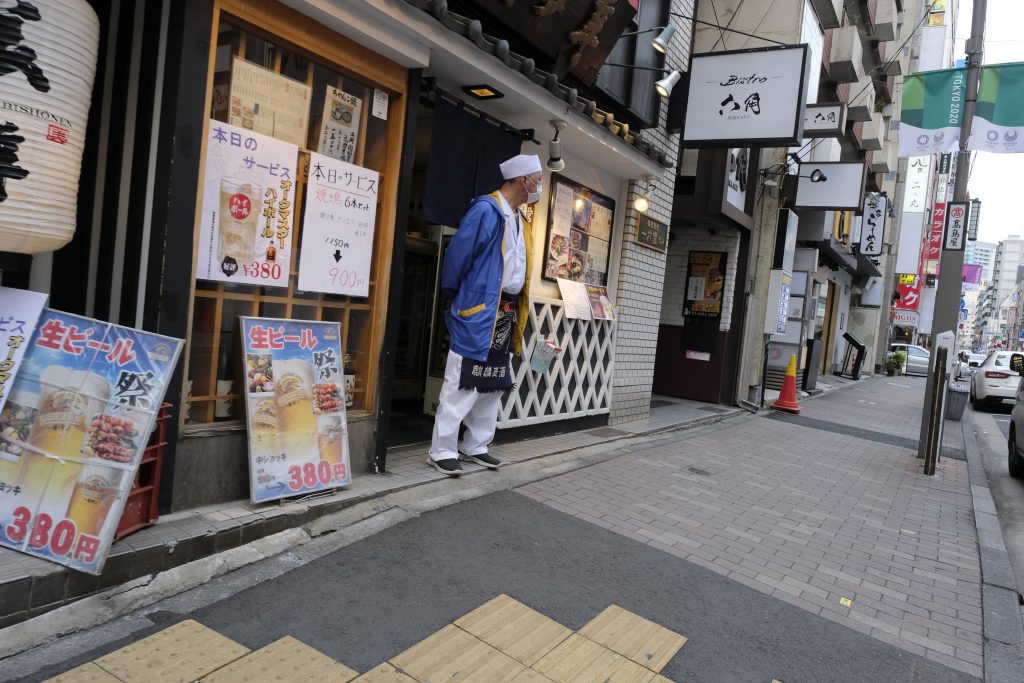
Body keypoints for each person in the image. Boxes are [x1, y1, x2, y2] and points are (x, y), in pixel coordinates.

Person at [427, 154, 542, 476]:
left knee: (493, 381)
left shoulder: (520, 218)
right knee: (462, 380)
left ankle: (476, 444)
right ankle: (442, 449)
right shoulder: (486, 210)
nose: (539, 187)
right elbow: (458, 258)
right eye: (538, 180)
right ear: (523, 181)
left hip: (505, 310)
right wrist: (458, 297)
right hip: (480, 308)